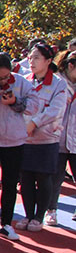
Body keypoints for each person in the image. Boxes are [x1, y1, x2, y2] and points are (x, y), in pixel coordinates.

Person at [0, 52, 33, 242]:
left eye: (5, 77)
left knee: (10, 182)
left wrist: (15, 102)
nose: (2, 81)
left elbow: (34, 105)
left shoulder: (21, 82)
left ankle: (6, 223)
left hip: (13, 139)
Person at [18, 42, 67, 231]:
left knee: (43, 176)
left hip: (46, 138)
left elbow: (55, 109)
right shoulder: (24, 80)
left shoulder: (58, 84)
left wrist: (34, 123)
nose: (31, 61)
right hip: (24, 137)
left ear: (48, 61)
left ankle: (39, 216)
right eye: (30, 57)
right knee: (26, 177)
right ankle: (28, 215)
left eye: (37, 57)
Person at [46, 51, 76, 225]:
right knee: (55, 178)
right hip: (56, 138)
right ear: (71, 65)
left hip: (74, 138)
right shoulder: (57, 83)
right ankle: (51, 210)